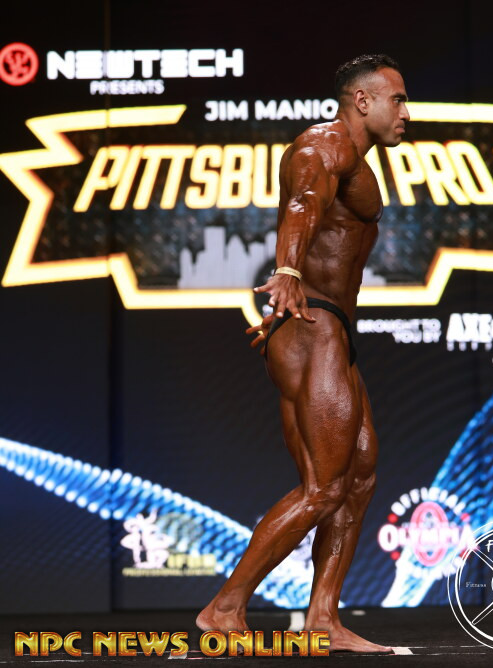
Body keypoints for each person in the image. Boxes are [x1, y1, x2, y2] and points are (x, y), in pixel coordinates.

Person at [196, 54, 410, 652]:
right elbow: (301, 206)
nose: (406, 113)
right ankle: (224, 609)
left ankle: (322, 620)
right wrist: (288, 270)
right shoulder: (323, 146)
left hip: (329, 327)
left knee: (359, 476)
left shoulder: (357, 160)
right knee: (324, 486)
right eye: (397, 99)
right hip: (312, 323)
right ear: (362, 101)